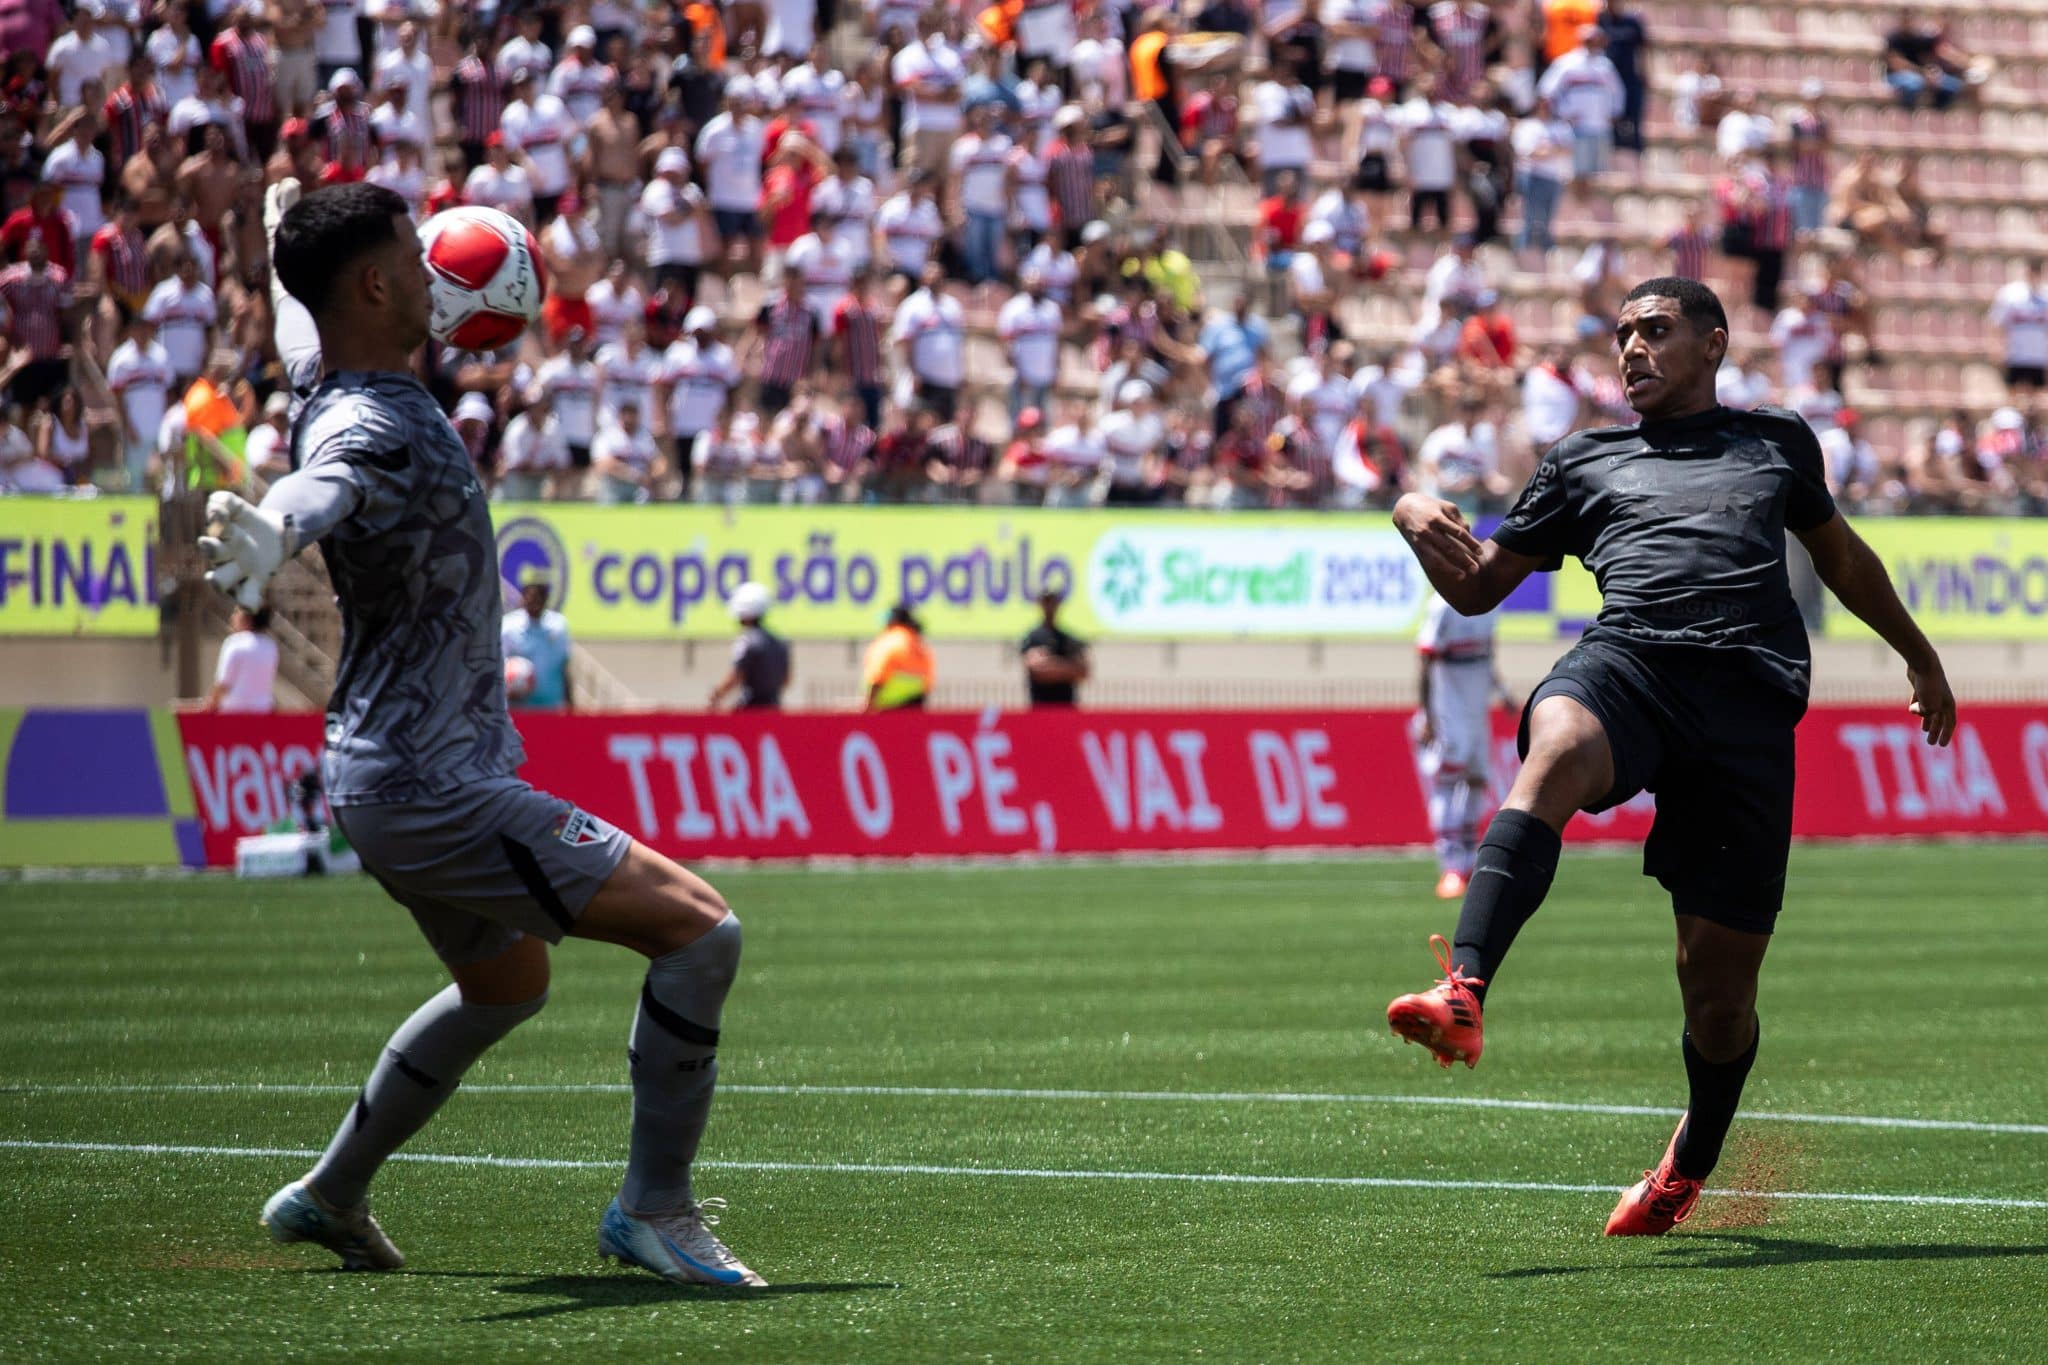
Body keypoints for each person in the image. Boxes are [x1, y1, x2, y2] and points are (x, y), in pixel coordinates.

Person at [198, 181, 764, 1286]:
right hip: (434, 785)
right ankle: (655, 1208)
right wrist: (276, 525)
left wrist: (276, 241)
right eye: (415, 257)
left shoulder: (337, 381)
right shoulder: (375, 420)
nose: (433, 274)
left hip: (382, 774)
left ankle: (330, 1193)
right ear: (372, 284)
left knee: (508, 985)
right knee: (702, 935)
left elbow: (303, 360)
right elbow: (327, 486)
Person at [1384, 276, 1956, 1236]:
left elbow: (1844, 560)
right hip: (1630, 666)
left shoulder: (1776, 444)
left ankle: (1688, 1165)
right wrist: (1408, 511)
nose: (1632, 350)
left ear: (1714, 344)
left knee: (1720, 1000)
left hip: (1744, 710)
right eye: (1622, 335)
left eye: (1655, 330)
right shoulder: (1581, 460)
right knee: (1556, 741)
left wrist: (1920, 651)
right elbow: (1481, 587)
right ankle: (1467, 986)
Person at [1412, 591, 1511, 900]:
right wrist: (1427, 715)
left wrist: (1501, 691)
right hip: (1448, 712)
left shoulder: (1490, 603)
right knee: (1447, 782)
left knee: (1478, 782)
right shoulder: (1443, 607)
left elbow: (1486, 656)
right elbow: (1425, 661)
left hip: (1476, 711)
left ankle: (1468, 864)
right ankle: (1450, 867)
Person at [709, 581, 792, 710]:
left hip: (749, 710)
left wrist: (717, 694)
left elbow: (736, 675)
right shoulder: (780, 642)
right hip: (774, 708)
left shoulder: (746, 641)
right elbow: (786, 680)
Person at [501, 568, 574, 709]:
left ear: (545, 600)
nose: (533, 603)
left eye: (538, 599)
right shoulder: (509, 626)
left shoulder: (558, 626)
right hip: (518, 709)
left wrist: (570, 701)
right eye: (529, 598)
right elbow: (499, 667)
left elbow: (564, 666)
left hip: (551, 707)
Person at [1020, 588, 1088, 707]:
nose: (1049, 606)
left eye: (1052, 601)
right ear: (1040, 604)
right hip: (1040, 707)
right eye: (1046, 601)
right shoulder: (1033, 637)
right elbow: (1035, 669)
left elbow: (1083, 671)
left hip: (1066, 708)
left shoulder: (1068, 638)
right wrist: (1067, 668)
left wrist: (1050, 663)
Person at [205, 606, 279, 712]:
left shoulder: (235, 642)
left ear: (247, 618)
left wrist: (209, 704)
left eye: (236, 612)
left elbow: (223, 683)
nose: (232, 617)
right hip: (263, 710)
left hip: (235, 711)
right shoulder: (270, 645)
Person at [861, 603, 934, 711]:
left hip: (886, 711)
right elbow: (927, 684)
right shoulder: (919, 646)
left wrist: (868, 706)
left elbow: (877, 676)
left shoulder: (889, 642)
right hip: (915, 710)